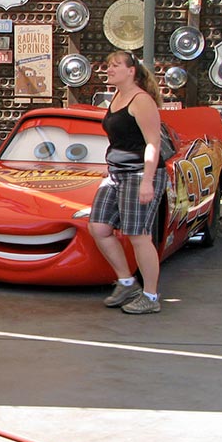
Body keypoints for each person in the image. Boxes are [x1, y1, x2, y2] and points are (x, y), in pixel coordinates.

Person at [88, 51, 167, 315]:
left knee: (138, 234)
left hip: (137, 173)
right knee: (99, 226)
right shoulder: (116, 98)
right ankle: (126, 282)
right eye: (108, 65)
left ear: (131, 70)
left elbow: (152, 144)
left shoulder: (141, 100)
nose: (109, 69)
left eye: (115, 65)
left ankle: (151, 296)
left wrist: (147, 180)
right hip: (116, 173)